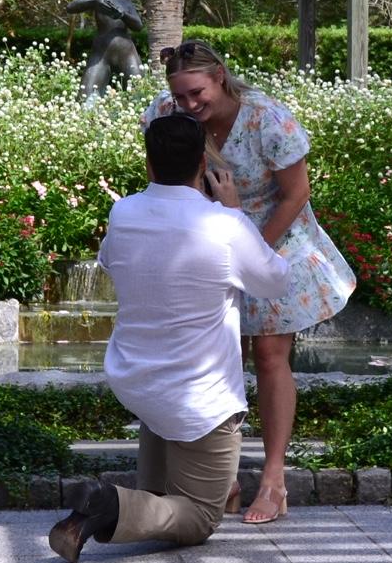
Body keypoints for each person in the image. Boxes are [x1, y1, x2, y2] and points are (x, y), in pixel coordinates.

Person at [47, 113, 290, 563]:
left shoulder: (123, 212)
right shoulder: (225, 225)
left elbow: (108, 261)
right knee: (198, 518)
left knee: (159, 498)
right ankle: (107, 502)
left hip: (138, 382)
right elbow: (275, 281)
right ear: (203, 164)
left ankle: (100, 512)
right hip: (200, 399)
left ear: (149, 163)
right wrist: (235, 211)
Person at [143, 40, 356, 524]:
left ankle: (274, 481)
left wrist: (251, 248)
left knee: (269, 354)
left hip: (275, 235)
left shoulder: (267, 119)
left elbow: (296, 193)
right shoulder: (165, 114)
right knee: (219, 355)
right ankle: (224, 479)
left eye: (197, 93)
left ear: (219, 76)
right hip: (207, 238)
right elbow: (160, 176)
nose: (188, 105)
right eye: (180, 96)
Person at [65, 0, 144, 100]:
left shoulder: (126, 1)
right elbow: (71, 7)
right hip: (101, 52)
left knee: (139, 94)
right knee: (85, 98)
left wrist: (122, 15)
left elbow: (138, 26)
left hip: (126, 51)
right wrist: (95, 1)